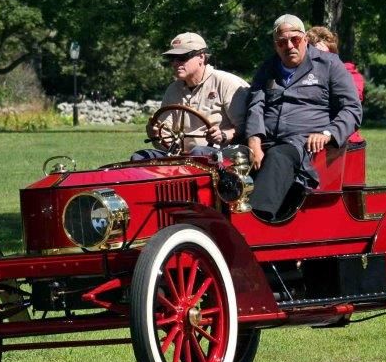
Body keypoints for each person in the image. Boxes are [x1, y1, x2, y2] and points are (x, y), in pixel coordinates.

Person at [243, 15, 362, 220]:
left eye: (295, 40)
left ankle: (254, 221)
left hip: (303, 145)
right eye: (282, 42)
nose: (289, 46)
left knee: (279, 156)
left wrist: (328, 133)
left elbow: (352, 109)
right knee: (224, 161)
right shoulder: (267, 68)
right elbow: (256, 106)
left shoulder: (329, 64)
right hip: (266, 141)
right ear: (276, 45)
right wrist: (254, 141)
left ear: (305, 38)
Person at [132, 32, 249, 160]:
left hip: (220, 155)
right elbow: (165, 137)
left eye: (182, 57)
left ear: (201, 57)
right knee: (139, 157)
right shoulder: (173, 90)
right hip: (181, 155)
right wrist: (155, 134)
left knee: (197, 152)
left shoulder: (226, 83)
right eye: (172, 58)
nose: (175, 63)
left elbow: (246, 127)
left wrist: (224, 135)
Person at [306, 26, 365, 101]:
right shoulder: (297, 72)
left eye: (323, 55)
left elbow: (353, 99)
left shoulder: (349, 73)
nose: (317, 61)